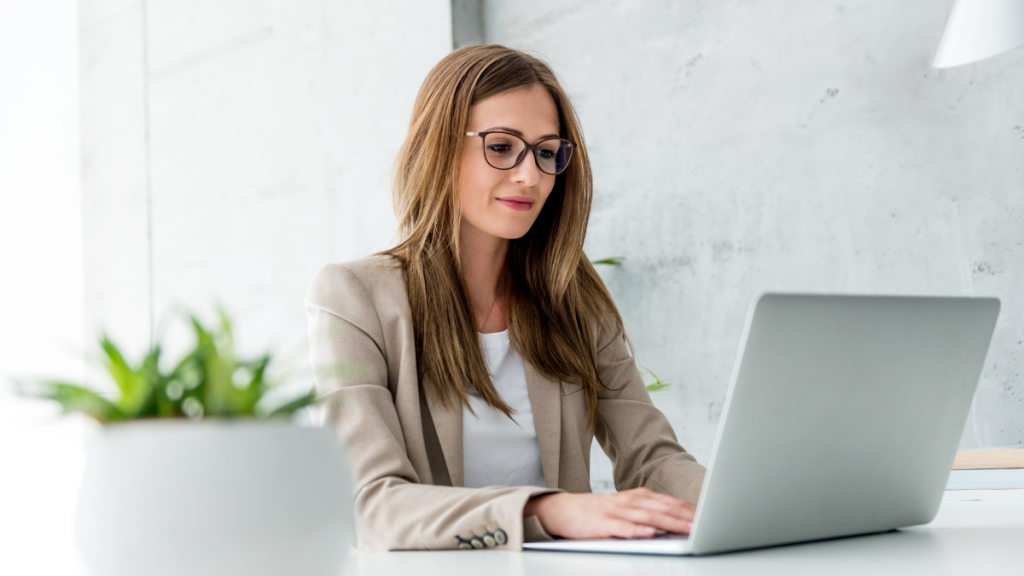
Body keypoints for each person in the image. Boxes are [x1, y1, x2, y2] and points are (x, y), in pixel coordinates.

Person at [306, 44, 705, 552]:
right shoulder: (354, 297)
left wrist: (742, 501)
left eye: (546, 152)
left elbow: (652, 460)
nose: (530, 176)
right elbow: (371, 506)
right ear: (438, 146)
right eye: (500, 146)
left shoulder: (572, 297)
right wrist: (545, 510)